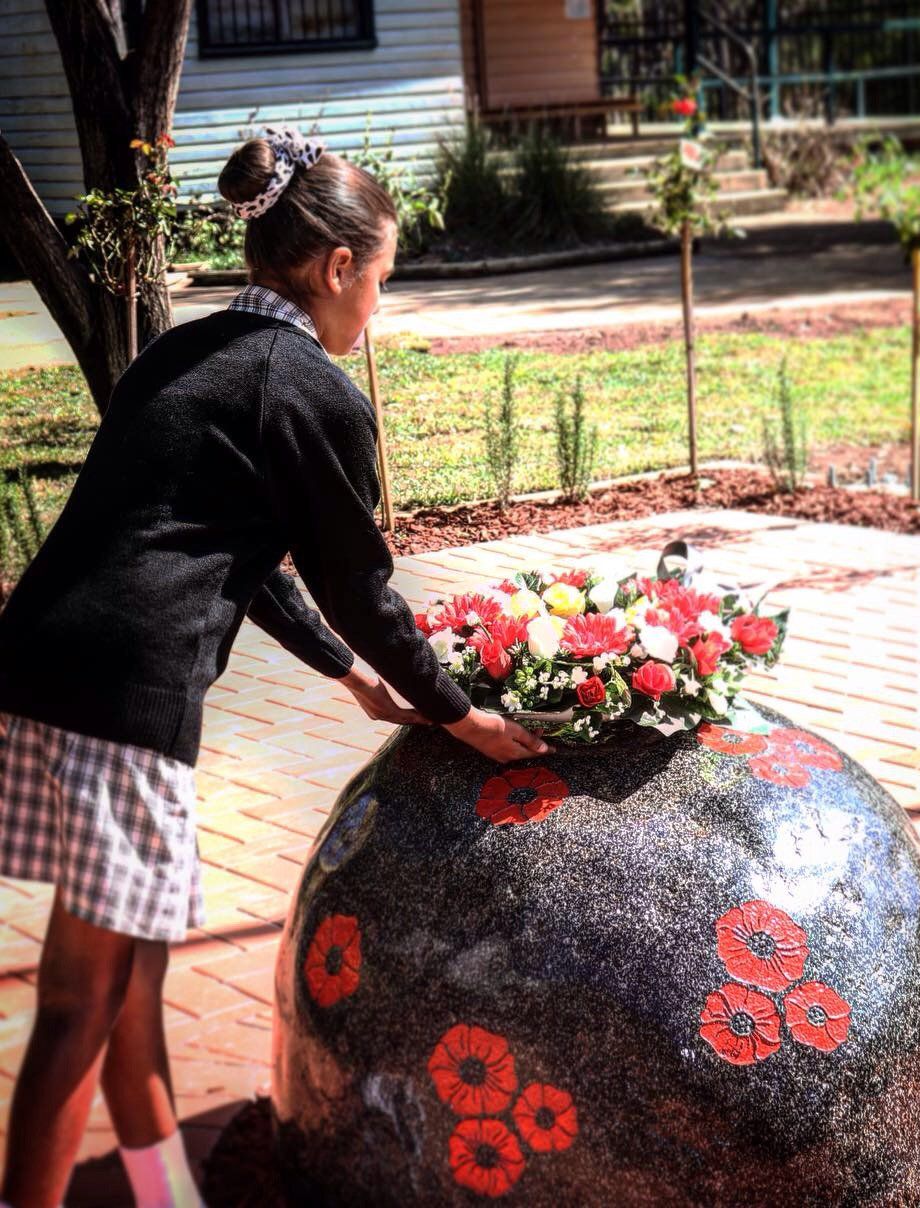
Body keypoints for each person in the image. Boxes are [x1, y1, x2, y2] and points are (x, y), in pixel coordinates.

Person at [0, 125, 547, 1208]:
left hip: (37, 669)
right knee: (79, 999)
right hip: (124, 705)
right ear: (338, 267)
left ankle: (168, 1196)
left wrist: (345, 671)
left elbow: (223, 550)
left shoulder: (179, 354)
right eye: (380, 280)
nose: (377, 307)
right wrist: (460, 714)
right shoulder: (307, 389)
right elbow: (361, 581)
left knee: (128, 984)